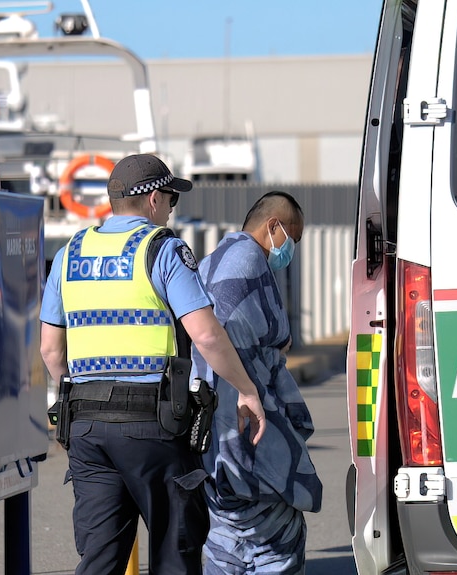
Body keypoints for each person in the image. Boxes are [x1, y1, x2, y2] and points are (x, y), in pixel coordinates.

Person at [39, 153, 267, 575]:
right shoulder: (162, 249)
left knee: (100, 559)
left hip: (86, 427)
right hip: (152, 426)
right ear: (153, 201)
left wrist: (79, 397)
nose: (169, 210)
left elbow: (51, 350)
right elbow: (206, 334)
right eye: (170, 200)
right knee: (173, 555)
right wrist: (247, 390)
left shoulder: (70, 253)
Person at [191, 191, 323, 575]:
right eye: (291, 238)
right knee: (272, 536)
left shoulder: (213, 261)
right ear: (273, 226)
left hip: (210, 426)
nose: (290, 249)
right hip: (245, 417)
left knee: (226, 535)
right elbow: (264, 340)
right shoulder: (248, 264)